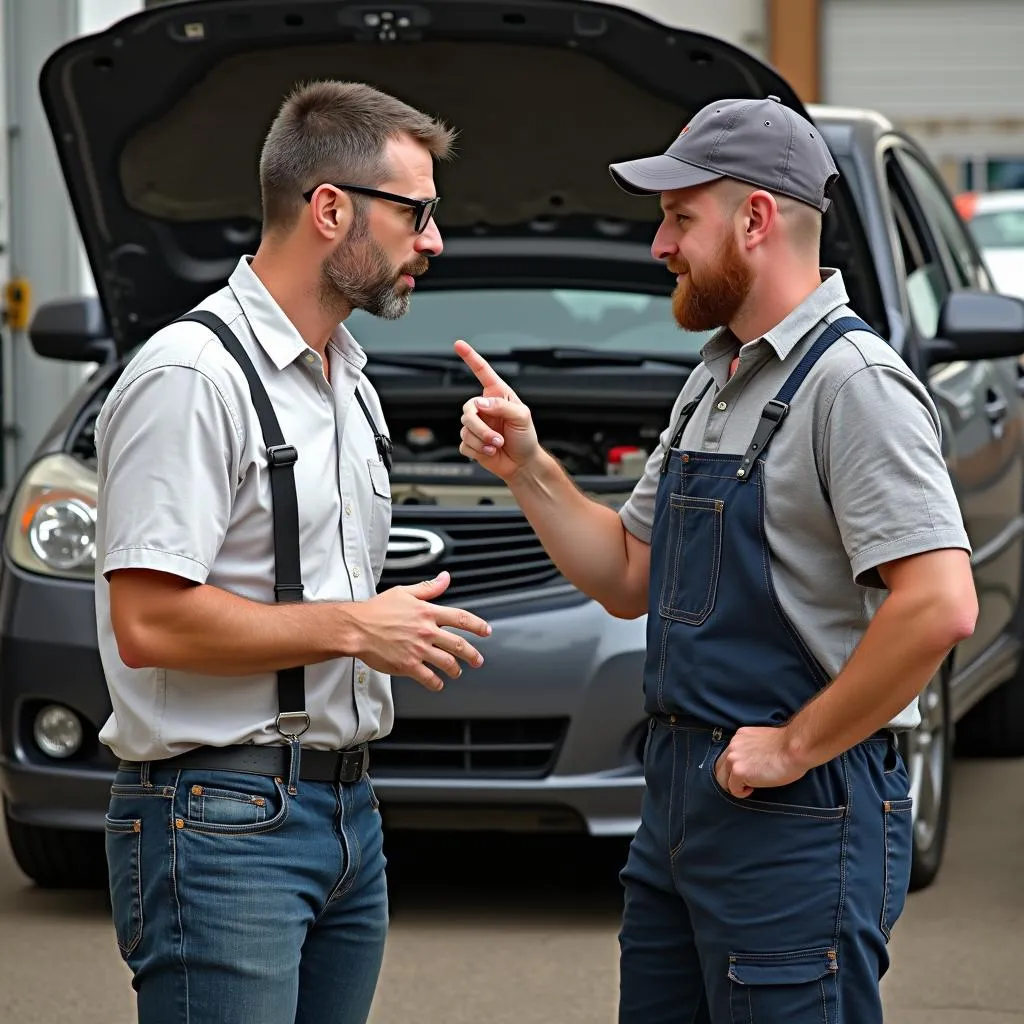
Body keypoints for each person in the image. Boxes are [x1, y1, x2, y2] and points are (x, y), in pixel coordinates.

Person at [456, 95, 978, 1023]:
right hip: (682, 805)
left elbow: (939, 604)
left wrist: (792, 746)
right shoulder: (719, 375)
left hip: (798, 818)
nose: (660, 246)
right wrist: (528, 469)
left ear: (757, 218)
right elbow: (628, 577)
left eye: (679, 217)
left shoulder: (852, 386)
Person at [96, 80, 492, 1024]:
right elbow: (147, 621)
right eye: (418, 212)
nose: (433, 240)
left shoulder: (348, 378)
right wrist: (359, 627)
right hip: (220, 822)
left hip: (347, 814)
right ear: (330, 210)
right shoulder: (191, 378)